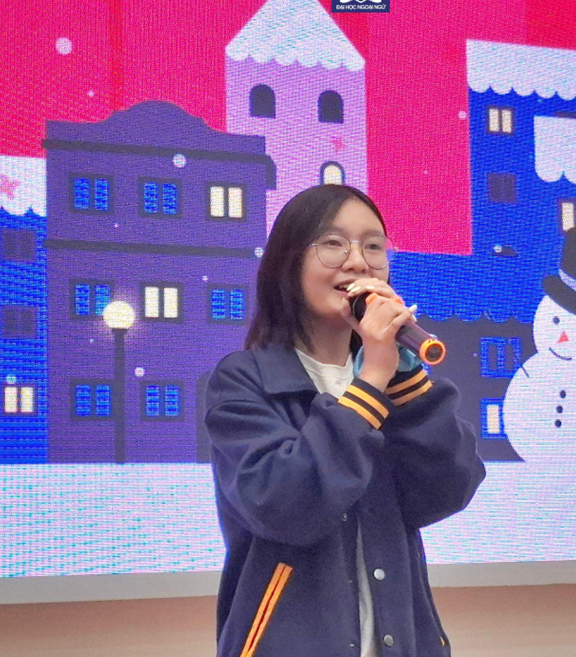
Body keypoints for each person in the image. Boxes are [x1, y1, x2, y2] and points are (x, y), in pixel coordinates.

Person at [205, 184, 486, 657]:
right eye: (333, 243)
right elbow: (284, 505)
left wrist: (402, 375)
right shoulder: (244, 379)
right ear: (288, 263)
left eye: (374, 246)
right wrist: (372, 378)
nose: (358, 262)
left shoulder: (392, 377)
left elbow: (448, 489)